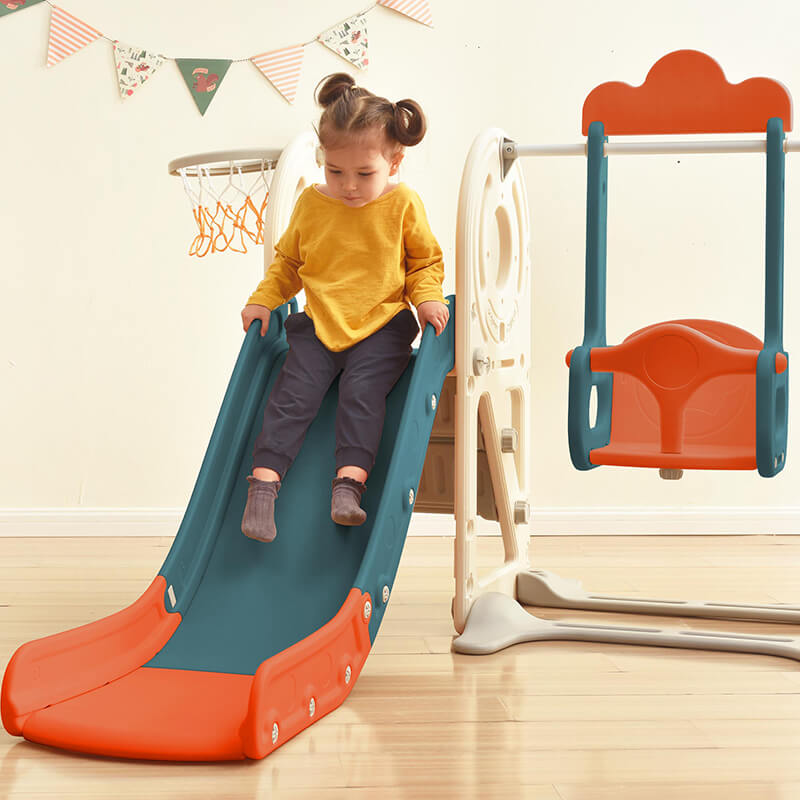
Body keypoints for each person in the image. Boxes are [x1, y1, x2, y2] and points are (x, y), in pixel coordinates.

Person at [240, 72, 449, 542]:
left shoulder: (403, 205)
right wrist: (263, 300)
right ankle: (263, 487)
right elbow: (289, 263)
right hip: (319, 325)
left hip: (382, 326)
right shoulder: (313, 206)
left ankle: (348, 486)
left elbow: (423, 262)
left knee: (362, 394)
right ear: (323, 161)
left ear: (394, 163)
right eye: (336, 172)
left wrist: (428, 297)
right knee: (292, 396)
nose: (349, 186)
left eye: (363, 174)